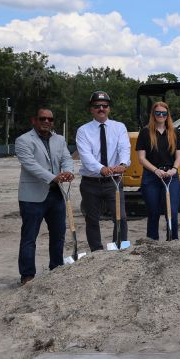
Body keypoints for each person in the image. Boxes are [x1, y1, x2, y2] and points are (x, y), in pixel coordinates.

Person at [15, 108, 74, 285]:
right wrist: (53, 177)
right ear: (34, 120)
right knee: (29, 237)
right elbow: (30, 165)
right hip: (32, 197)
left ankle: (56, 269)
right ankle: (27, 276)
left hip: (56, 195)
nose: (47, 122)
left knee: (58, 235)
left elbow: (67, 158)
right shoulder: (23, 140)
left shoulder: (60, 139)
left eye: (50, 119)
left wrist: (68, 172)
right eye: (43, 118)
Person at [75, 91, 131, 251]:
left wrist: (123, 163)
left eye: (104, 106)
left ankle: (119, 249)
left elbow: (124, 148)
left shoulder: (119, 127)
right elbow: (85, 156)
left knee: (121, 218)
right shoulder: (83, 131)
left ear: (109, 108)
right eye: (97, 106)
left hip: (114, 181)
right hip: (91, 182)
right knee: (92, 219)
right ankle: (96, 252)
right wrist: (101, 169)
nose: (101, 108)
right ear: (91, 109)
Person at [136, 101, 180, 240]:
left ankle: (173, 239)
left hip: (171, 176)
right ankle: (152, 242)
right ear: (153, 114)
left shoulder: (174, 132)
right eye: (158, 113)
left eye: (164, 113)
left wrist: (174, 169)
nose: (161, 115)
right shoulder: (145, 132)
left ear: (167, 114)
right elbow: (141, 158)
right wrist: (156, 170)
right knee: (153, 212)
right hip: (151, 176)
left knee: (172, 212)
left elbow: (179, 156)